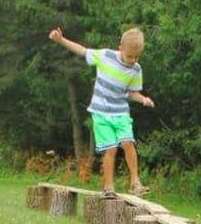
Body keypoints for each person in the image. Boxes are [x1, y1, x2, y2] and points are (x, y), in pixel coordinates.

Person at [49, 26, 154, 198]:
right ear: (120, 48)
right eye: (129, 56)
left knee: (128, 142)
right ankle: (108, 187)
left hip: (120, 112)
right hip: (101, 112)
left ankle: (135, 182)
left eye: (136, 57)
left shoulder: (136, 69)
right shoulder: (105, 56)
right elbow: (82, 51)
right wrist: (61, 40)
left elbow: (132, 92)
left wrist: (143, 99)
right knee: (111, 148)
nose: (132, 60)